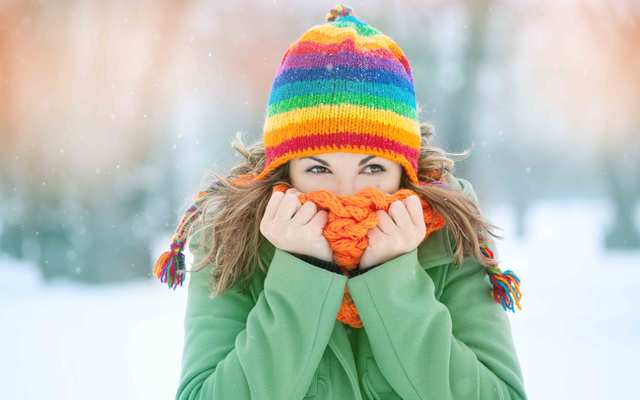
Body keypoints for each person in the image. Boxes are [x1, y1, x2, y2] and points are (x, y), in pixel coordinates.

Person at [155, 4, 527, 399]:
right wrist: (301, 273)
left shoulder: (449, 238)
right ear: (285, 170)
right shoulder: (231, 242)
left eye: (372, 170)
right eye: (318, 170)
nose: (346, 194)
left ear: (404, 171)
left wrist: (393, 283)